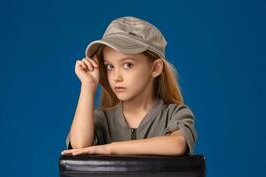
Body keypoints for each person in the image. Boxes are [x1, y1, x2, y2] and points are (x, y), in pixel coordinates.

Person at [61, 16, 197, 156]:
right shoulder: (101, 119)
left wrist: (110, 148)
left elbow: (177, 145)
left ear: (155, 68)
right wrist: (87, 87)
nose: (116, 77)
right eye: (109, 66)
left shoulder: (175, 114)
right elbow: (79, 147)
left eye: (127, 65)